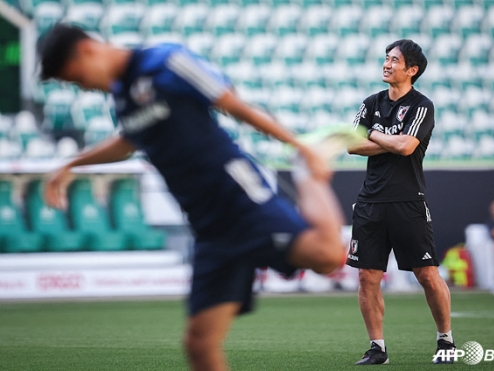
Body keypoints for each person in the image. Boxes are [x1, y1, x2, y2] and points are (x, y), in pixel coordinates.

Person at [38, 23, 357, 371]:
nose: (82, 87)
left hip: (238, 197)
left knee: (327, 256)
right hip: (207, 227)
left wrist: (299, 147)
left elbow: (235, 105)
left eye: (77, 78)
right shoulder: (121, 97)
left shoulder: (167, 62)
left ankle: (306, 173)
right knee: (199, 346)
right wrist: (73, 163)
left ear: (88, 51)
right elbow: (128, 141)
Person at [346, 39, 455, 365]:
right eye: (385, 58)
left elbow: (407, 148)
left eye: (394, 60)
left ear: (412, 70)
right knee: (367, 276)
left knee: (426, 273)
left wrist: (375, 134)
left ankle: (446, 340)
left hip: (407, 201)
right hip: (370, 202)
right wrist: (391, 140)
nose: (386, 64)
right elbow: (351, 145)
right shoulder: (371, 102)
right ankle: (377, 347)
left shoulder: (422, 105)